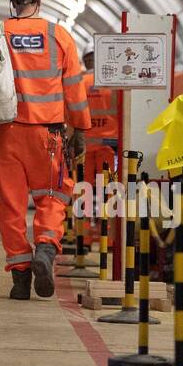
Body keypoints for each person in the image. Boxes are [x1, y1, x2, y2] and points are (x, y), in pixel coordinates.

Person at [0, 0, 91, 300]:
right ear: (39, 1)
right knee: (54, 196)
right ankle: (45, 247)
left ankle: (19, 278)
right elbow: (74, 88)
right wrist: (81, 129)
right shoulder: (59, 36)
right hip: (49, 137)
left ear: (12, 2)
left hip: (7, 134)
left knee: (10, 204)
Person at [81, 47, 119, 244]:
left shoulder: (78, 82)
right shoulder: (113, 83)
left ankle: (84, 238)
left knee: (84, 190)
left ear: (85, 61)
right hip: (108, 146)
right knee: (109, 191)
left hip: (84, 147)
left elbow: (70, 111)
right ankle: (110, 238)